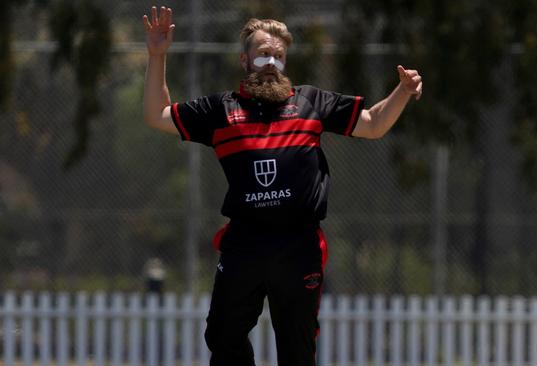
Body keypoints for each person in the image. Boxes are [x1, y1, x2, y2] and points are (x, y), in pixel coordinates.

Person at [142, 6, 422, 366]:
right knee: (223, 334)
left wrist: (401, 91)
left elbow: (372, 124)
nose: (271, 61)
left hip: (298, 245)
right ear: (245, 60)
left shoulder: (310, 101)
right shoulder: (221, 110)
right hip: (245, 243)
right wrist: (157, 54)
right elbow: (156, 113)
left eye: (278, 55)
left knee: (297, 346)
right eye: (262, 53)